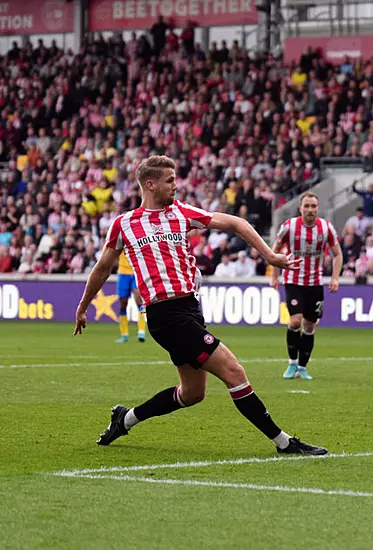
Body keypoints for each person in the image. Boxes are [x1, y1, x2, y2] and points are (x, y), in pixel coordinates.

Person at [75, 155, 326, 456]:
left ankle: (125, 419)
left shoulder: (180, 212)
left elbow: (236, 223)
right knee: (234, 371)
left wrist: (270, 256)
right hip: (165, 314)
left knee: (193, 393)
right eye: (170, 180)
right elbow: (103, 268)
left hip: (190, 309)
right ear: (150, 184)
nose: (176, 185)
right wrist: (83, 306)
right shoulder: (125, 224)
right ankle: (284, 442)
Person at [271, 192, 343, 380]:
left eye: (313, 206)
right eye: (307, 206)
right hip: (293, 280)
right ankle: (292, 363)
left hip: (315, 283)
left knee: (309, 326)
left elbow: (338, 254)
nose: (310, 210)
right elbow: (275, 251)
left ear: (318, 208)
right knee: (295, 321)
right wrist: (275, 275)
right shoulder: (289, 227)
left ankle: (302, 367)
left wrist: (335, 278)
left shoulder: (326, 228)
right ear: (300, 207)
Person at [114, 252, 146, 343]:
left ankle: (141, 332)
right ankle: (124, 335)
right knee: (123, 303)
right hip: (123, 273)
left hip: (135, 272)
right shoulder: (119, 239)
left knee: (139, 300)